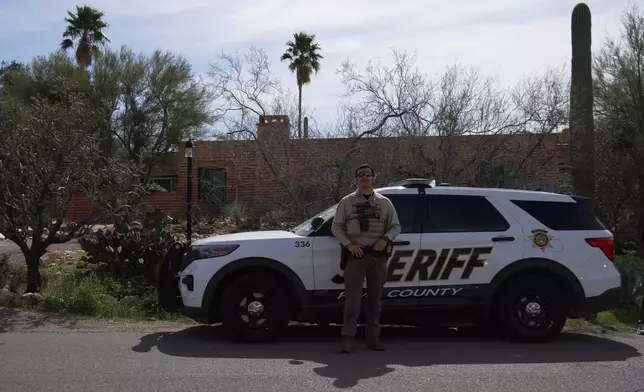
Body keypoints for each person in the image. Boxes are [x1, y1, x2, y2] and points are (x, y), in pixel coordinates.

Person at [331, 164, 401, 353]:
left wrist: (385, 239)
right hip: (356, 257)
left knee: (374, 301)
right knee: (352, 301)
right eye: (360, 175)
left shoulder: (385, 202)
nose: (364, 178)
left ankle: (373, 339)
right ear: (356, 179)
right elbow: (336, 227)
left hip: (377, 258)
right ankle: (347, 339)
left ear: (373, 178)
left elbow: (395, 227)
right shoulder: (347, 202)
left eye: (367, 175)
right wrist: (349, 245)